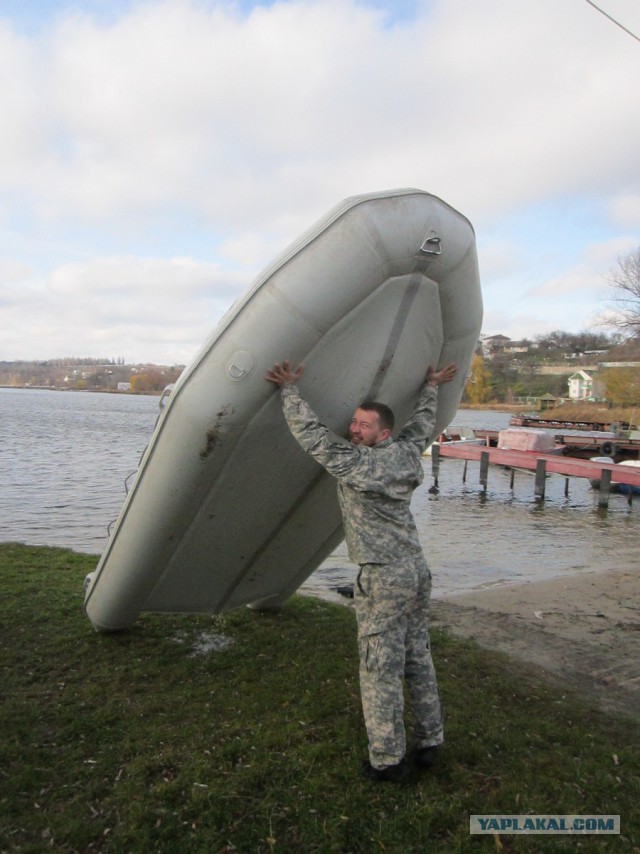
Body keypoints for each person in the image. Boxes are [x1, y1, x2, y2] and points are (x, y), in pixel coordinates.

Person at [265, 358, 458, 782]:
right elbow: (422, 425)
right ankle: (431, 740)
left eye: (363, 426)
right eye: (354, 423)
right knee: (417, 657)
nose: (354, 430)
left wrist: (289, 390)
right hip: (415, 572)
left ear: (381, 433)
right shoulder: (406, 453)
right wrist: (430, 387)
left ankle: (387, 761)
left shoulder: (359, 464)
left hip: (384, 576)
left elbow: (312, 435)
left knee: (379, 668)